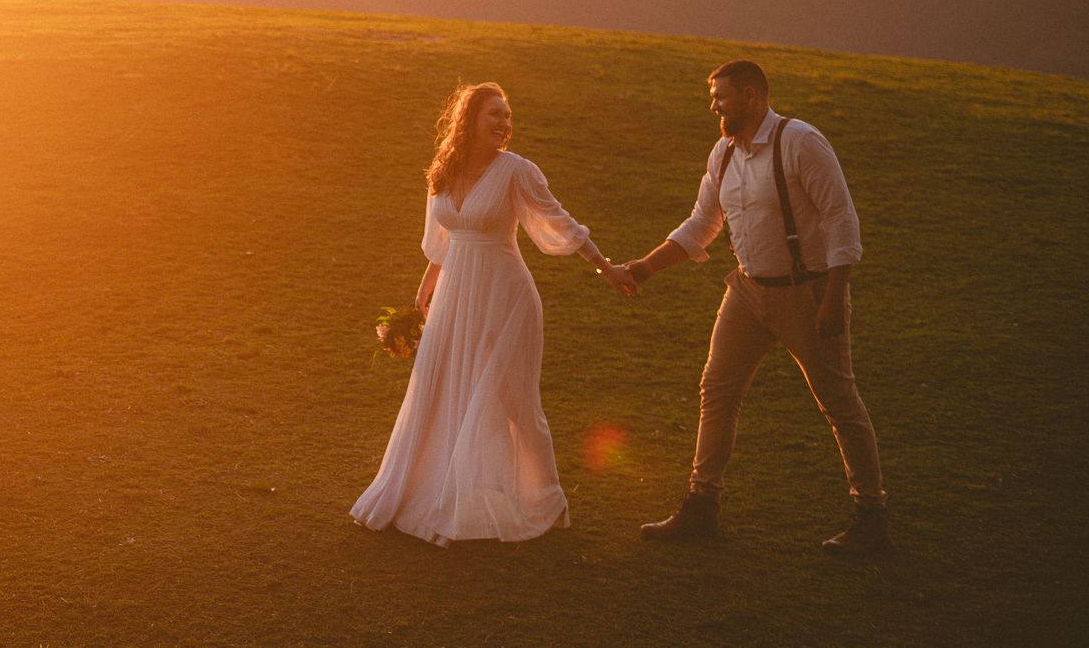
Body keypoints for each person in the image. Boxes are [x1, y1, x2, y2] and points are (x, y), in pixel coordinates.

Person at [611, 59, 890, 555]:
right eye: (713, 96)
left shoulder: (800, 141)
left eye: (721, 96)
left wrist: (832, 299)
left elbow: (841, 220)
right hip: (746, 291)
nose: (714, 105)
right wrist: (647, 267)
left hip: (806, 292)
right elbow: (702, 223)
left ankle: (871, 515)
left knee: (838, 403)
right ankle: (702, 507)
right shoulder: (723, 153)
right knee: (717, 391)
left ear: (753, 95)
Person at [352, 82, 630, 544]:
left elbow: (559, 220)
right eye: (494, 115)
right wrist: (426, 288)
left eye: (507, 115)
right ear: (469, 120)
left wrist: (606, 267)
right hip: (456, 293)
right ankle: (439, 487)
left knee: (510, 398)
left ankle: (542, 496)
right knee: (440, 386)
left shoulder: (517, 171)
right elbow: (443, 237)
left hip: (505, 295)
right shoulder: (444, 170)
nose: (503, 123)